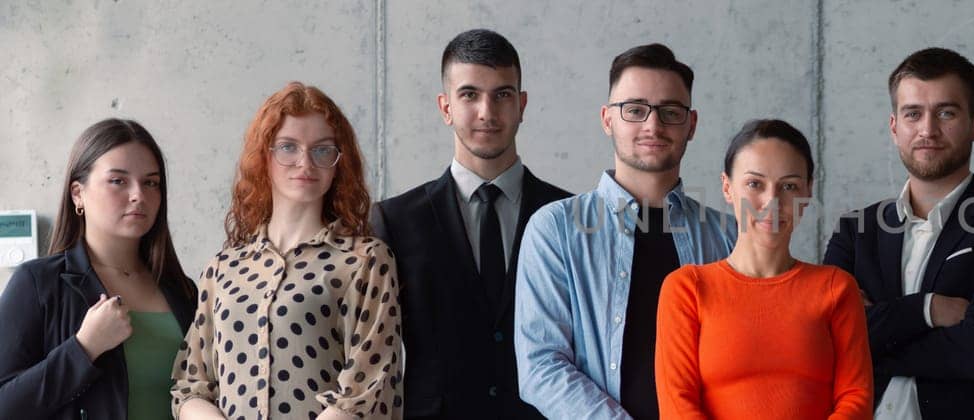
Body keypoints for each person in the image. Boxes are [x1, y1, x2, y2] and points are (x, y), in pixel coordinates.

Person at [514, 43, 737, 420]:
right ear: (607, 119)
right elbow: (541, 366)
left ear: (692, 124)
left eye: (670, 112)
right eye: (634, 110)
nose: (653, 125)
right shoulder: (555, 229)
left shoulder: (727, 236)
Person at [822, 47, 974, 419]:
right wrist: (927, 309)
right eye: (913, 114)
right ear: (894, 127)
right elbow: (826, 340)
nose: (928, 129)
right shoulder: (856, 230)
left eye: (946, 112)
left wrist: (871, 337)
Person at [371, 28, 571, 420]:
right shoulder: (395, 220)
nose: (487, 111)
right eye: (469, 95)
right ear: (445, 107)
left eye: (502, 94)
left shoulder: (566, 213)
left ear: (522, 104)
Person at [171, 82, 402, 420]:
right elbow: (190, 386)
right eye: (288, 147)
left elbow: (366, 391)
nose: (305, 162)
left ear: (339, 162)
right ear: (264, 155)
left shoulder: (365, 261)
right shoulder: (223, 268)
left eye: (322, 150)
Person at [655, 119, 873, 419]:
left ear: (807, 192)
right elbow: (677, 405)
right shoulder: (687, 288)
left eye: (789, 186)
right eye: (755, 184)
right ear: (727, 187)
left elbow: (856, 398)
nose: (772, 202)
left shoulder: (836, 288)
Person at [0, 119, 198, 420]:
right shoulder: (38, 283)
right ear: (78, 194)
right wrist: (84, 348)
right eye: (118, 181)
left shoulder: (184, 291)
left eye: (151, 182)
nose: (138, 195)